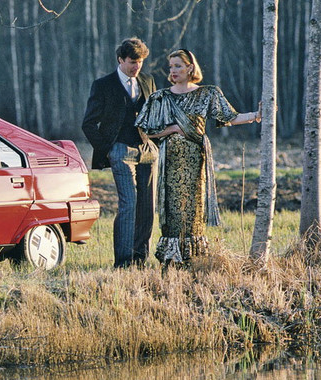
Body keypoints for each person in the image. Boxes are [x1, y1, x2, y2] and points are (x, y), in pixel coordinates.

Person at [135, 49, 261, 264]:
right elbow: (145, 130)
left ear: (190, 67)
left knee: (194, 208)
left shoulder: (207, 93)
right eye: (171, 67)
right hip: (171, 162)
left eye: (178, 66)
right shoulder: (161, 97)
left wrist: (257, 116)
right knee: (172, 209)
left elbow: (230, 116)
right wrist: (173, 129)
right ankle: (172, 258)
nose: (173, 71)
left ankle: (194, 258)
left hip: (196, 160)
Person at [82, 38, 158, 268]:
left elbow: (154, 116)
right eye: (133, 62)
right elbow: (88, 124)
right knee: (129, 204)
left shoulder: (148, 80)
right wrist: (109, 149)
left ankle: (140, 260)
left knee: (147, 206)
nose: (137, 67)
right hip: (120, 150)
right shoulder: (103, 85)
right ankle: (124, 262)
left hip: (147, 150)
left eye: (141, 62)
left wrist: (156, 143)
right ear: (121, 60)